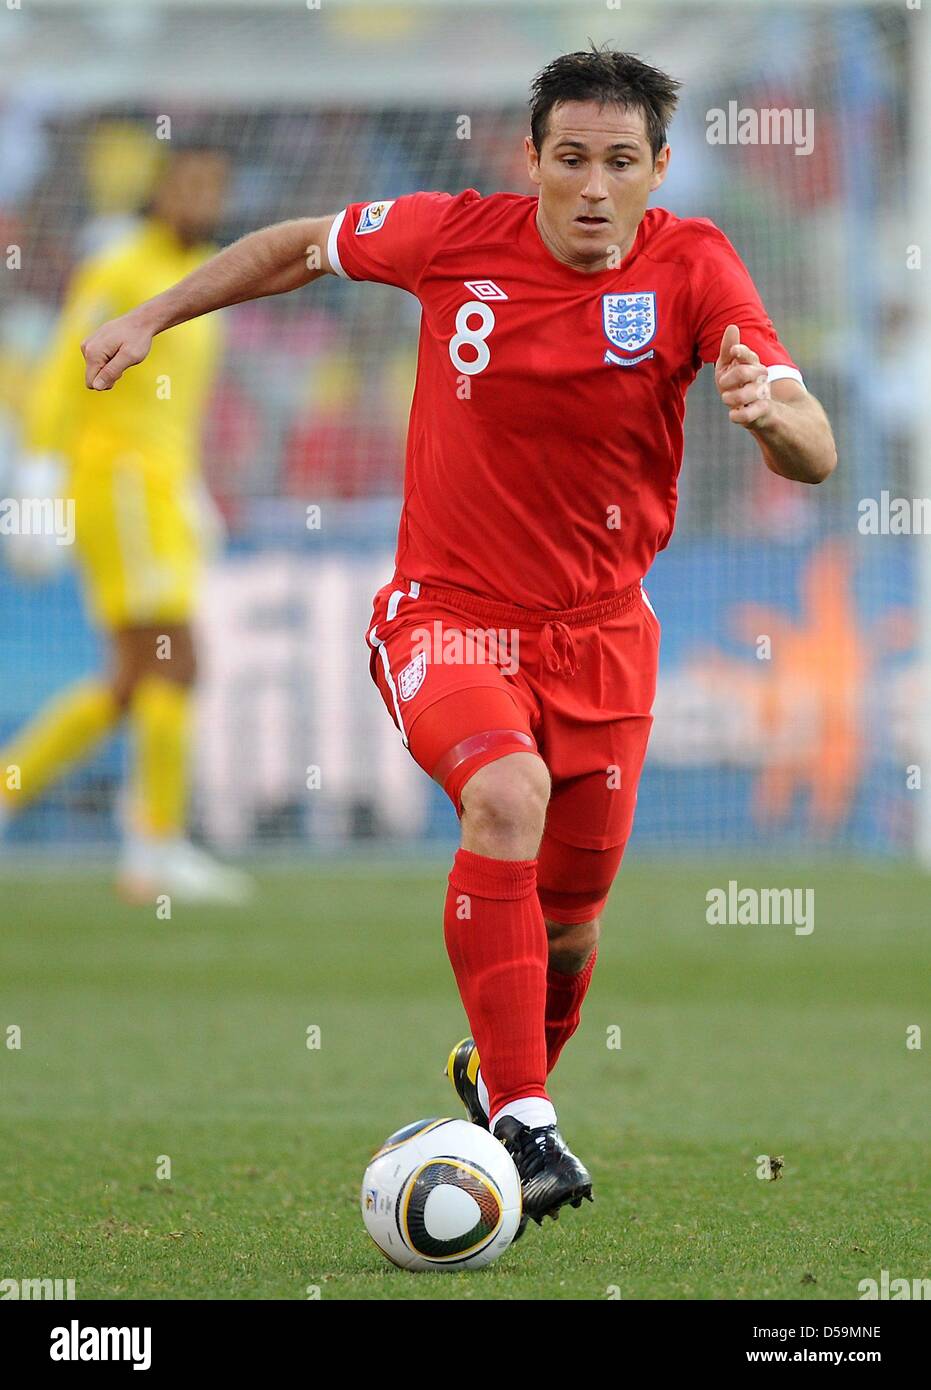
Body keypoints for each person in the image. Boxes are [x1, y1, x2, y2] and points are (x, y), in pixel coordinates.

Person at [78, 49, 836, 1223]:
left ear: (658, 171)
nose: (593, 187)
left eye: (620, 164)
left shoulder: (695, 266)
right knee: (506, 797)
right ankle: (528, 1125)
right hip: (449, 613)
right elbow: (295, 245)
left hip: (605, 640)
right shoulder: (450, 236)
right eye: (571, 159)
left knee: (573, 918)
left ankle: (497, 1080)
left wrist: (770, 413)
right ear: (529, 159)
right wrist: (153, 311)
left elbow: (814, 445)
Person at [1, 143, 252, 906]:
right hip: (116, 485)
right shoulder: (119, 266)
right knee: (176, 659)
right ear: (160, 189)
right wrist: (37, 485)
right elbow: (57, 374)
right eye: (189, 184)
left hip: (160, 492)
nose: (202, 198)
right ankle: (154, 845)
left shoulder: (208, 278)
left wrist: (194, 491)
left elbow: (173, 410)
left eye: (215, 185)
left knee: (129, 679)